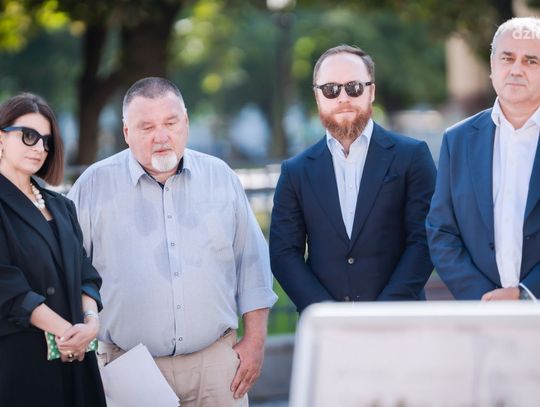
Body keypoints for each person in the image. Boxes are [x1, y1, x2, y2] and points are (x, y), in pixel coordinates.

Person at [68, 77, 277, 406]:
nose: (161, 137)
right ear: (126, 132)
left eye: (170, 123)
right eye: (147, 127)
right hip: (129, 368)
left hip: (217, 368)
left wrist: (255, 341)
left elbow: (252, 265)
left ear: (186, 122)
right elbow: (71, 273)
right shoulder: (92, 186)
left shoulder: (221, 177)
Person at [269, 45, 437, 313]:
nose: (343, 97)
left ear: (371, 91)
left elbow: (424, 240)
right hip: (326, 327)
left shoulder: (412, 157)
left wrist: (383, 313)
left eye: (354, 87)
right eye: (331, 89)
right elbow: (284, 254)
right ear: (317, 96)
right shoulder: (295, 172)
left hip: (401, 322)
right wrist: (328, 315)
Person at [0, 93, 106, 406]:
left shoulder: (62, 205)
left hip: (77, 358)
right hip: (22, 364)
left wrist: (91, 323)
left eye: (46, 141)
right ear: (1, 138)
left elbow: (85, 273)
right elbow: (8, 288)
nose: (39, 148)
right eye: (28, 136)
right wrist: (69, 333)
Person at [427, 17, 540, 301]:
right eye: (507, 58)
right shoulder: (458, 140)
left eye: (531, 61)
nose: (516, 69)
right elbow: (442, 231)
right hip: (482, 312)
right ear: (492, 66)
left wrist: (526, 294)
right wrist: (483, 297)